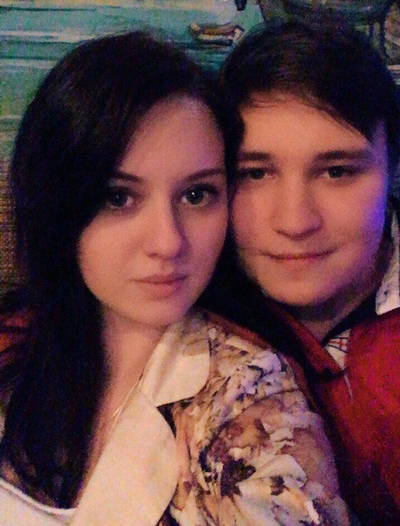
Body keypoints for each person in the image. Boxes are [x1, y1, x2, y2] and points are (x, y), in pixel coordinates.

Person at [0, 31, 347, 524]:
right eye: (119, 198)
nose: (168, 242)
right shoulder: (20, 342)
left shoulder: (250, 401)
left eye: (196, 195)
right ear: (55, 203)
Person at [209, 20, 400, 523]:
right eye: (255, 173)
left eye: (337, 171)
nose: (295, 222)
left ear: (393, 170)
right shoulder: (175, 307)